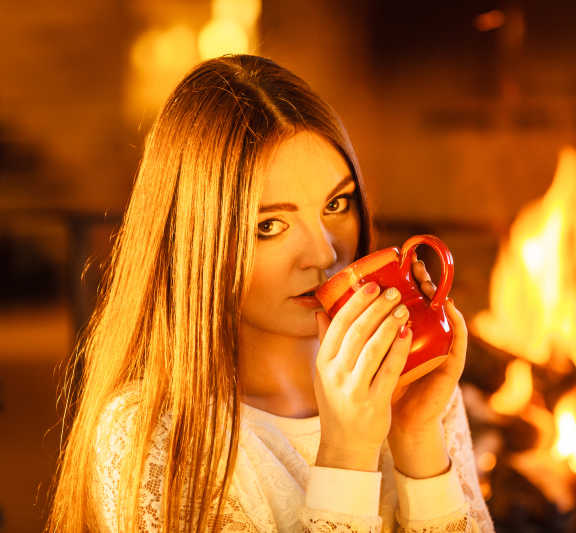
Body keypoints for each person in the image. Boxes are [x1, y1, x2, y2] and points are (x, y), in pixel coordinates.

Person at [47, 54, 494, 532]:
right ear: (197, 242)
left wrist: (417, 436)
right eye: (269, 225)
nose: (323, 253)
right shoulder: (152, 436)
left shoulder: (405, 387)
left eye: (336, 204)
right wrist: (347, 452)